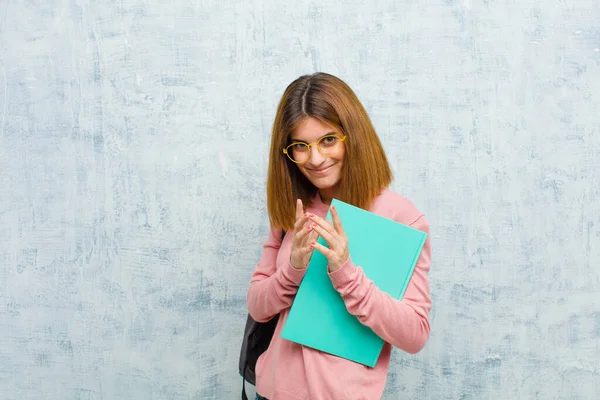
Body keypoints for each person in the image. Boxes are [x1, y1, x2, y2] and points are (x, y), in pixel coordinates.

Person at [246, 72, 432, 400]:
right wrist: (292, 270)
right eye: (300, 147)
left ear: (352, 136)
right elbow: (258, 307)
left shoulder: (402, 217)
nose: (316, 159)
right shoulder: (294, 209)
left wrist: (347, 275)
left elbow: (415, 334)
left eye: (328, 140)